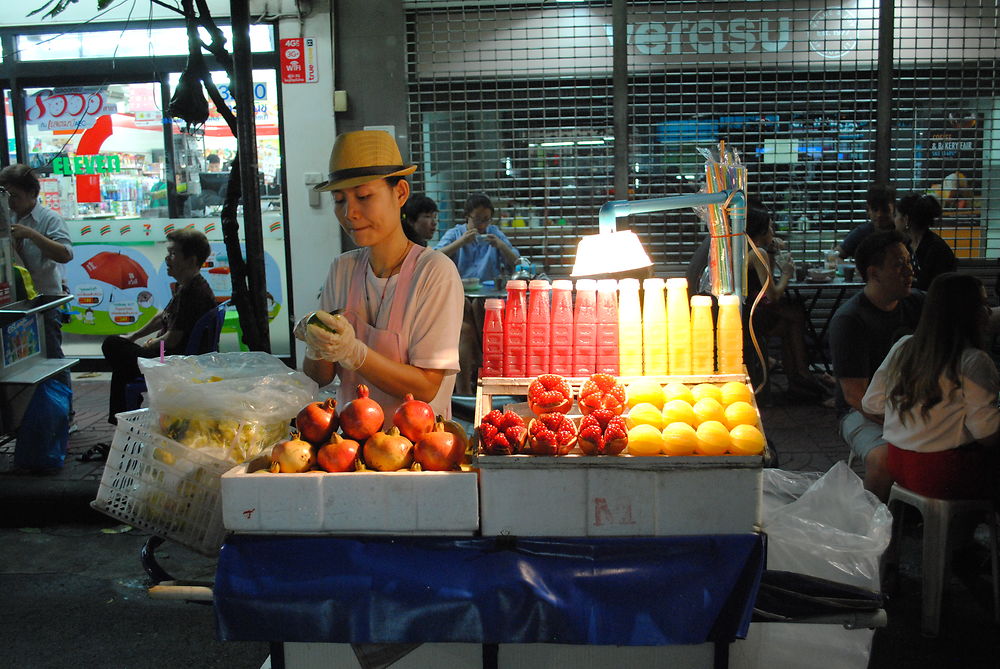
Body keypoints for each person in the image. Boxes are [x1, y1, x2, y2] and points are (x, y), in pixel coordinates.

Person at [294, 130, 464, 421]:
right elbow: (319, 378)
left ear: (400, 193)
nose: (350, 212)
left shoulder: (434, 273)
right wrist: (317, 345)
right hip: (349, 449)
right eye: (339, 200)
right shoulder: (341, 269)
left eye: (363, 196)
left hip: (419, 451)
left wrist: (354, 352)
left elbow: (426, 387)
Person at [862, 273, 998, 499]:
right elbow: (987, 433)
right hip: (943, 474)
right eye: (982, 304)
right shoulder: (973, 361)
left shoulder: (904, 346)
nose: (989, 312)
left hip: (899, 465)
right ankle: (969, 526)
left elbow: (871, 403)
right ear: (966, 313)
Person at [829, 230, 925, 501]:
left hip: (913, 405)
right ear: (874, 273)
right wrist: (903, 426)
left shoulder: (919, 304)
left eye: (909, 263)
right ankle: (872, 528)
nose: (909, 271)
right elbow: (855, 396)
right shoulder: (850, 320)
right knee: (884, 460)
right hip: (860, 412)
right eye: (899, 265)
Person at [98, 228, 216, 433]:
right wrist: (133, 336)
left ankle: (123, 425)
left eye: (173, 254)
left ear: (191, 259)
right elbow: (163, 316)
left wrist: (149, 343)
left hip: (171, 363)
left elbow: (171, 340)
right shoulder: (189, 286)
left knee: (112, 345)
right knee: (122, 365)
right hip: (170, 357)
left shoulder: (192, 292)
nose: (167, 259)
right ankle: (124, 423)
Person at [0, 164, 73, 389]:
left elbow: (65, 254)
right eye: (5, 196)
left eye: (15, 196)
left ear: (32, 193)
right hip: (14, 302)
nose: (10, 202)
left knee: (51, 358)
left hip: (44, 301)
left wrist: (32, 235)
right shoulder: (5, 217)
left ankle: (65, 414)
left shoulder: (49, 219)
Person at [744, 205, 828, 400]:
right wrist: (787, 274)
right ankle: (801, 375)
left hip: (752, 311)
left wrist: (772, 252)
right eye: (770, 228)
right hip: (752, 317)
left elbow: (766, 284)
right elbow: (773, 295)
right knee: (796, 315)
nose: (773, 232)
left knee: (792, 321)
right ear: (762, 232)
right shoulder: (758, 253)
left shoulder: (754, 251)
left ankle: (798, 377)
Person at [435, 193, 519, 282]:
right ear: (467, 216)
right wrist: (461, 242)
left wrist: (502, 246)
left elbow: (517, 263)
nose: (482, 225)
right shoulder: (455, 233)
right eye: (477, 219)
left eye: (486, 219)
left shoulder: (494, 233)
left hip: (489, 289)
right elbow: (434, 257)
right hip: (461, 289)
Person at [894, 192, 957, 291]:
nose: (895, 220)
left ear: (906, 219)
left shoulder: (936, 249)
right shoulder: (907, 244)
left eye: (896, 215)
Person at [837, 184, 896, 259]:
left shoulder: (901, 232)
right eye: (875, 210)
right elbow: (835, 256)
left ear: (894, 209)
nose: (879, 215)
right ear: (868, 211)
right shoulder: (862, 232)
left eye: (885, 210)